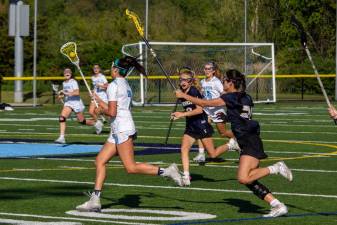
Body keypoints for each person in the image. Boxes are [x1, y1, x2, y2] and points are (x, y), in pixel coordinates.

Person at [175, 69, 293, 217]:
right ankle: (277, 205)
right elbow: (238, 115)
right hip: (247, 139)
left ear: (231, 83)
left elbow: (205, 103)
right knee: (250, 181)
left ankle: (276, 168)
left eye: (225, 80)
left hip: (249, 141)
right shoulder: (246, 97)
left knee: (243, 178)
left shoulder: (230, 97)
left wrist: (183, 95)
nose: (223, 81)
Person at [76, 56, 183, 212]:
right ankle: (95, 200)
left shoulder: (113, 86)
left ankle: (168, 171)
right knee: (100, 161)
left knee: (131, 167)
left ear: (116, 69)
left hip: (122, 128)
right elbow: (117, 109)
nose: (111, 70)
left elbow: (111, 112)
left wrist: (100, 110)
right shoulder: (124, 84)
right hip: (119, 128)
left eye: (112, 67)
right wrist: (99, 99)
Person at [171, 68, 226, 186]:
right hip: (191, 126)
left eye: (186, 80)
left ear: (191, 81)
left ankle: (231, 144)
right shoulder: (181, 92)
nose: (183, 82)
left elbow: (199, 110)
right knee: (184, 149)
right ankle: (186, 176)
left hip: (201, 124)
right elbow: (188, 108)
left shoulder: (194, 92)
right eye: (181, 79)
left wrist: (182, 114)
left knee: (213, 154)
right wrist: (179, 113)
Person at [195, 61, 240, 163]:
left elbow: (223, 93)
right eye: (205, 68)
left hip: (217, 110)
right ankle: (201, 153)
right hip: (206, 110)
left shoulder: (216, 82)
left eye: (209, 69)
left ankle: (238, 139)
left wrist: (232, 100)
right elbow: (203, 95)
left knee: (223, 133)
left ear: (213, 71)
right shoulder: (202, 82)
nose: (207, 71)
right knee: (201, 129)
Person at [54, 68, 103, 144]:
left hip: (76, 103)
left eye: (68, 72)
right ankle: (62, 137)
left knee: (81, 121)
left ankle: (96, 124)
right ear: (63, 74)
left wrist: (66, 93)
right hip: (68, 103)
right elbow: (66, 92)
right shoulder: (64, 83)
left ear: (71, 74)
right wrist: (61, 95)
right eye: (65, 72)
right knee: (62, 118)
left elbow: (77, 92)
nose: (67, 73)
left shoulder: (73, 82)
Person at [88, 64, 107, 132]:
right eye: (94, 68)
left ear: (99, 69)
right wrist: (92, 92)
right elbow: (94, 88)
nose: (96, 69)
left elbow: (106, 86)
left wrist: (100, 85)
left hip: (102, 97)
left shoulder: (102, 77)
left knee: (97, 111)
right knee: (90, 112)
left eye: (97, 68)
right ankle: (99, 123)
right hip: (95, 96)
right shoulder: (92, 77)